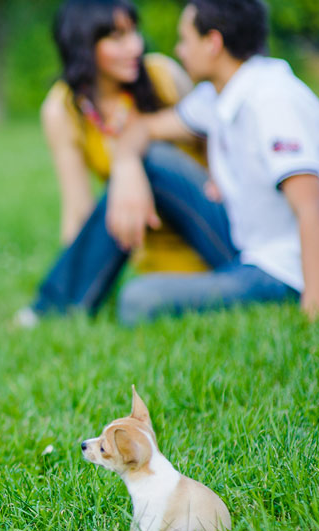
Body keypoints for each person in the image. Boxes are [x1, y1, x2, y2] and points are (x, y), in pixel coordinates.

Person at [19, 0, 319, 326]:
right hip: (242, 241)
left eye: (185, 40)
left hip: (281, 270)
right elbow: (143, 130)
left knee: (139, 300)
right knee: (151, 158)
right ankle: (54, 306)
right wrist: (126, 166)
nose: (179, 50)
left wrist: (313, 302)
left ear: (213, 43)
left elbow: (311, 207)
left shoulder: (273, 100)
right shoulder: (218, 96)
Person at [41, 0, 208, 268]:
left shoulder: (163, 76)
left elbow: (216, 146)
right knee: (134, 302)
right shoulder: (64, 108)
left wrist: (127, 161)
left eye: (134, 32)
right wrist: (74, 278)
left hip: (207, 225)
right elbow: (79, 211)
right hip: (152, 252)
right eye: (117, 38)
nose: (135, 47)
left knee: (151, 156)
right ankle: (61, 302)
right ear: (83, 44)